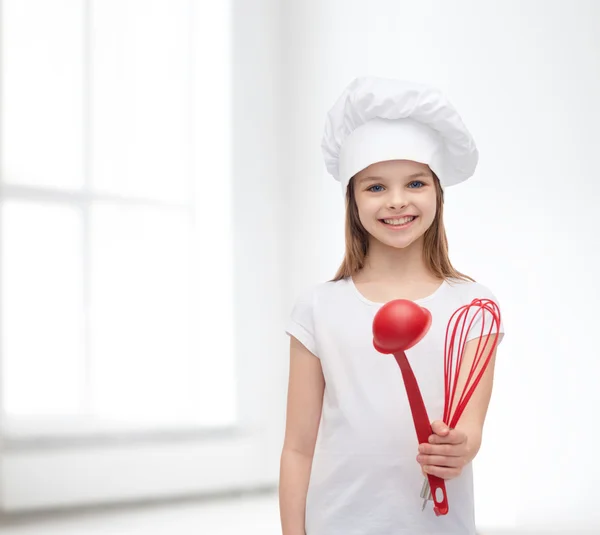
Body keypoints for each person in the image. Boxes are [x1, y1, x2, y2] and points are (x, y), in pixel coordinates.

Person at [279, 76, 506, 535]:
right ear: (352, 199)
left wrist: (459, 446)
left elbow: (471, 428)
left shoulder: (474, 307)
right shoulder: (317, 309)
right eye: (376, 187)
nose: (397, 201)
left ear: (438, 193)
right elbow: (298, 448)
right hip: (338, 523)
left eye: (416, 182)